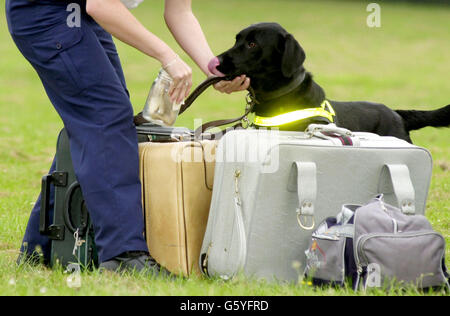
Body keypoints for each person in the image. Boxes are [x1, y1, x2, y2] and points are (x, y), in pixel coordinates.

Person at [6, 0, 250, 273]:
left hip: (82, 14)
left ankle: (42, 249)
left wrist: (212, 68)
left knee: (100, 122)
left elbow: (179, 11)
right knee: (104, 116)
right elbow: (101, 5)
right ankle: (123, 255)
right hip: (45, 11)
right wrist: (168, 56)